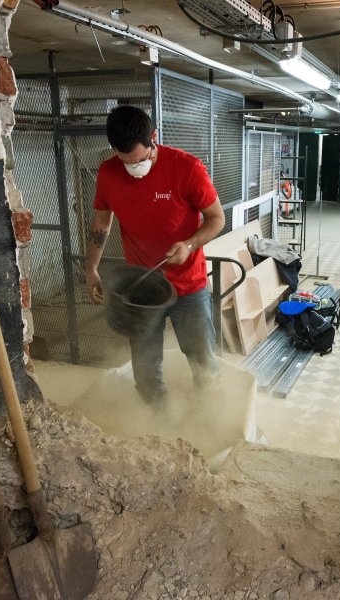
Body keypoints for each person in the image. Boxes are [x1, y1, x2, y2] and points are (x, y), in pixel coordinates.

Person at [86, 105, 225, 404]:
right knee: (146, 368)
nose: (135, 169)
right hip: (142, 290)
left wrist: (189, 244)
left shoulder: (187, 168)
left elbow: (217, 219)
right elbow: (101, 222)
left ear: (154, 137)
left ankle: (210, 417)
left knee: (203, 361)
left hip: (189, 284)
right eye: (126, 163)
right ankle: (156, 422)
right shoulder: (109, 172)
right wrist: (91, 268)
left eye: (140, 160)